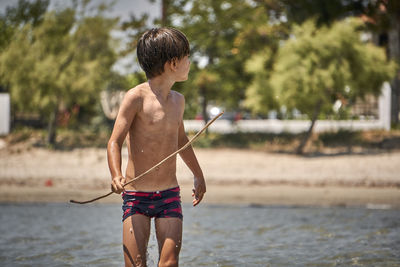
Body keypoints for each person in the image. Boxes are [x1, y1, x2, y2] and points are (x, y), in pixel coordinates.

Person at [107, 27, 206, 267]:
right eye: (187, 57)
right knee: (136, 264)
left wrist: (198, 175)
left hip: (168, 195)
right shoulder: (135, 98)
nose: (190, 62)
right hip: (135, 197)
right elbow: (114, 142)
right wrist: (116, 175)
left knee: (169, 263)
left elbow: (181, 141)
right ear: (173, 63)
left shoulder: (178, 101)